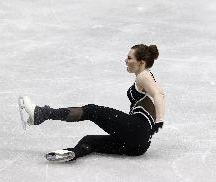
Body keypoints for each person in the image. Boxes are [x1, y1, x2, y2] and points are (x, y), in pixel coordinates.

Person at [19, 44, 165, 162]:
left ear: (141, 62)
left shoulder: (143, 75)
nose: (125, 60)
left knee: (92, 110)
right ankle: (74, 153)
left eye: (129, 58)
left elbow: (159, 95)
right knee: (90, 140)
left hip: (137, 129)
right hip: (139, 146)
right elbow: (159, 94)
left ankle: (42, 113)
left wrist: (159, 121)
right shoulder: (147, 76)